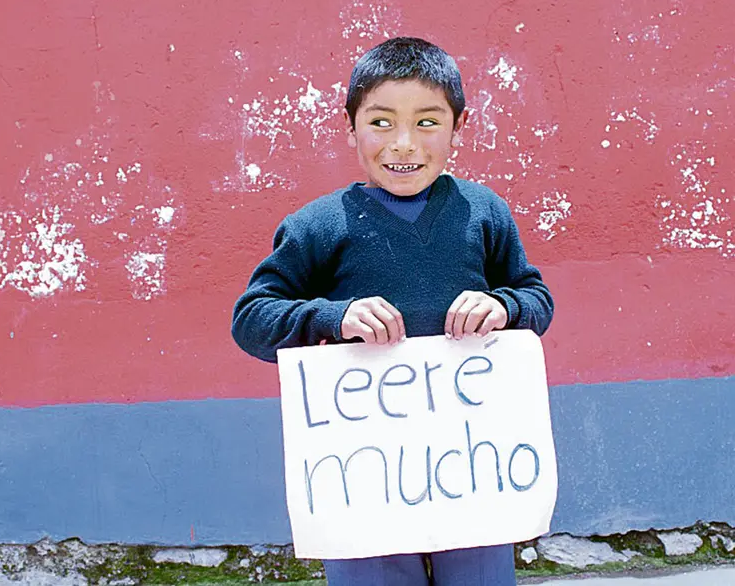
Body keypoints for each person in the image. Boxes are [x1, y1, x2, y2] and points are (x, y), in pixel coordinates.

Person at [230, 36, 555, 585]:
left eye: (428, 122)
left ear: (459, 127)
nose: (403, 144)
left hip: (471, 478)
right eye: (380, 122)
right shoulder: (319, 225)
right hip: (365, 487)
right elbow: (252, 319)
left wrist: (502, 306)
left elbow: (536, 300)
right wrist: (332, 318)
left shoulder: (484, 212)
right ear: (351, 125)